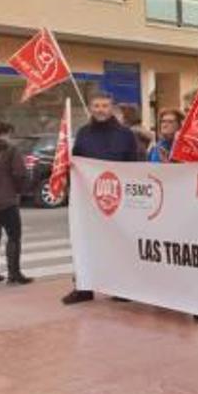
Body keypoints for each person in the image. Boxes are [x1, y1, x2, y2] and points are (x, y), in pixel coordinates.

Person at [63, 92, 139, 305]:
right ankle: (83, 287)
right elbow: (76, 161)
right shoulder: (83, 133)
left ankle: (121, 287)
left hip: (117, 199)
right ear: (90, 108)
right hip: (87, 200)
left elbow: (133, 166)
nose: (100, 109)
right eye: (96, 106)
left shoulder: (126, 134)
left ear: (112, 108)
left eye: (104, 105)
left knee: (117, 243)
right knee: (84, 242)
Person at [0, 121, 32, 285]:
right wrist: (19, 191)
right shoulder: (11, 150)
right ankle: (14, 274)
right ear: (4, 133)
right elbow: (20, 173)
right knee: (13, 237)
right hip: (6, 200)